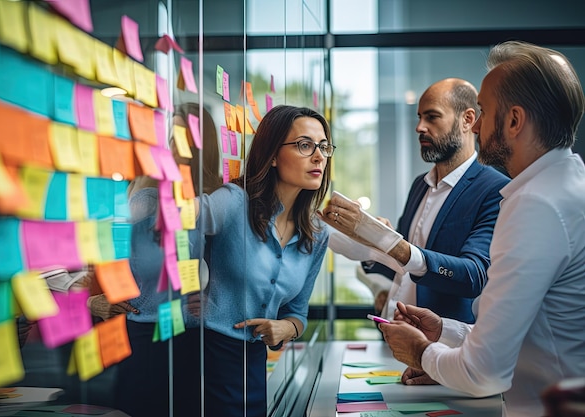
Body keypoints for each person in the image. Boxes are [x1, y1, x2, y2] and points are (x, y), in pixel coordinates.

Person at [378, 41, 585, 417]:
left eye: (485, 112)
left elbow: (484, 371)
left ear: (514, 121)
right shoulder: (561, 186)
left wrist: (421, 352)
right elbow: (525, 335)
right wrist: (445, 330)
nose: (478, 123)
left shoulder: (535, 204)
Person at [186, 105, 333, 416]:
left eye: (323, 146)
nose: (319, 156)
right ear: (273, 155)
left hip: (253, 362)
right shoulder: (234, 202)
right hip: (204, 356)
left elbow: (298, 313)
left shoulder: (317, 234)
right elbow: (177, 221)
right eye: (305, 145)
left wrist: (285, 329)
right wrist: (181, 294)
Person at [325, 78, 509, 324]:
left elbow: (474, 276)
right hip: (398, 337)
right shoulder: (419, 185)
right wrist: (371, 245)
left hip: (445, 349)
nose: (419, 127)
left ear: (467, 120)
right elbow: (406, 265)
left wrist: (391, 244)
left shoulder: (495, 189)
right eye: (419, 117)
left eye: (432, 117)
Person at [87, 102, 223, 417]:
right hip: (143, 333)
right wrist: (98, 298)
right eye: (169, 134)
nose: (171, 144)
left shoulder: (217, 199)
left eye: (180, 134)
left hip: (195, 337)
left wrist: (210, 297)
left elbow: (226, 268)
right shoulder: (147, 194)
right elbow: (100, 242)